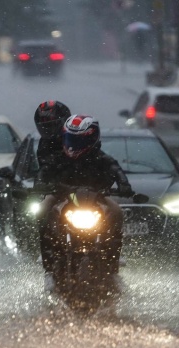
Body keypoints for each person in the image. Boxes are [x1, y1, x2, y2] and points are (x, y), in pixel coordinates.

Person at [34, 114, 135, 291]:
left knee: (117, 212)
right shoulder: (59, 158)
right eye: (70, 139)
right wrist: (41, 184)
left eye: (78, 140)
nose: (73, 145)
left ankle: (113, 270)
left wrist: (124, 185)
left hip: (96, 197)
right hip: (62, 196)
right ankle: (48, 269)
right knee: (42, 211)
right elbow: (44, 170)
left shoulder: (102, 158)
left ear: (92, 139)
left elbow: (116, 170)